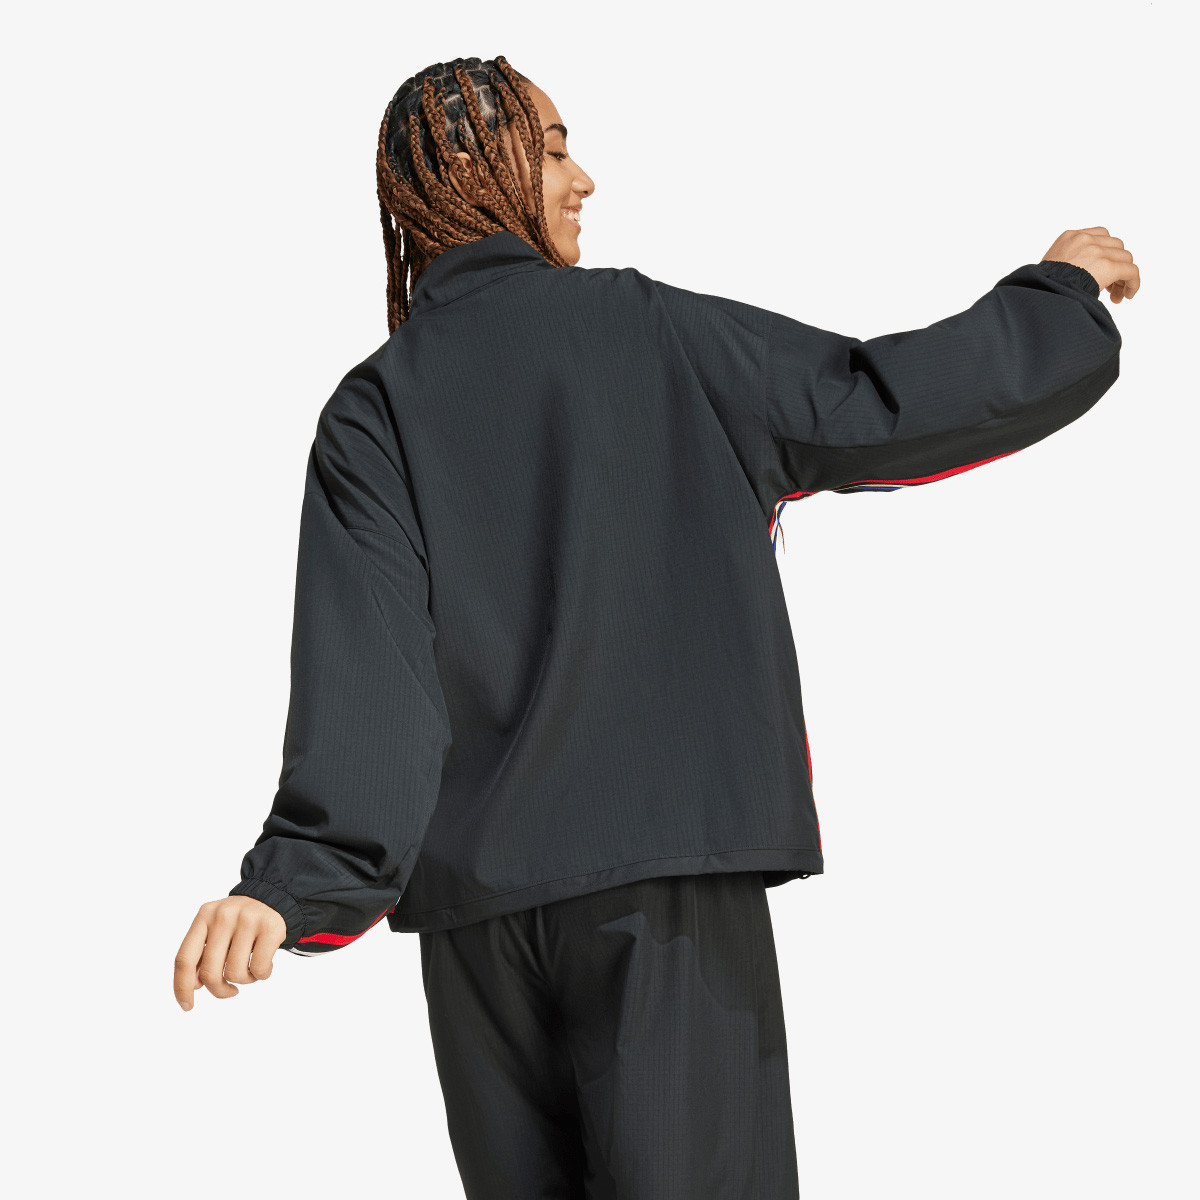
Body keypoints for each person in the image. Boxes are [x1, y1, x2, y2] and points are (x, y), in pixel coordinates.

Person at [173, 55, 1137, 1199]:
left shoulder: (376, 405)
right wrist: (1058, 295)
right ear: (477, 167)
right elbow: (891, 400)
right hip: (664, 892)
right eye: (552, 147)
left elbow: (368, 680)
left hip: (481, 936)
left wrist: (294, 886)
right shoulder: (651, 332)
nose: (583, 177)